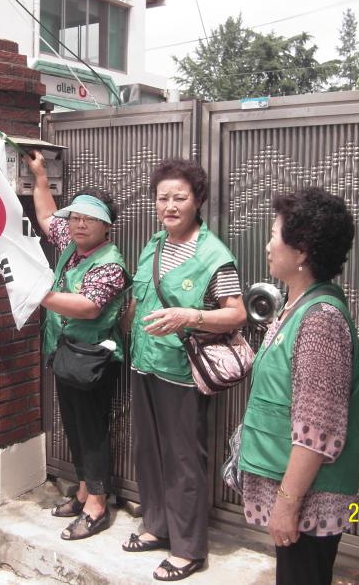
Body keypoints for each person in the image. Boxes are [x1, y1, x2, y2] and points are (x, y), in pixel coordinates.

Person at [121, 158, 246, 582]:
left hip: (181, 370)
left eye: (180, 197)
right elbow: (139, 300)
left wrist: (190, 316)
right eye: (163, 198)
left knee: (183, 457)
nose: (170, 205)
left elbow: (236, 315)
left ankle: (189, 547)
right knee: (148, 451)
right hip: (144, 364)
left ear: (198, 202)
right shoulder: (153, 244)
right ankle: (157, 525)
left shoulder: (214, 254)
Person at [239, 187, 359, 585]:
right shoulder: (297, 305)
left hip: (309, 500)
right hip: (295, 493)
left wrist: (287, 505)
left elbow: (317, 430)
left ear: (303, 250)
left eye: (275, 235)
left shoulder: (320, 320)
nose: (268, 245)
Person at [24, 150, 129, 541]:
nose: (79, 224)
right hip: (65, 355)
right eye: (77, 217)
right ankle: (84, 490)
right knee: (73, 425)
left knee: (91, 429)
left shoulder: (110, 264)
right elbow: (47, 216)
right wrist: (39, 176)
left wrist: (39, 293)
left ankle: (99, 504)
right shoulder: (72, 243)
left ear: (108, 227)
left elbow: (87, 307)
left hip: (93, 360)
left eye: (90, 219)